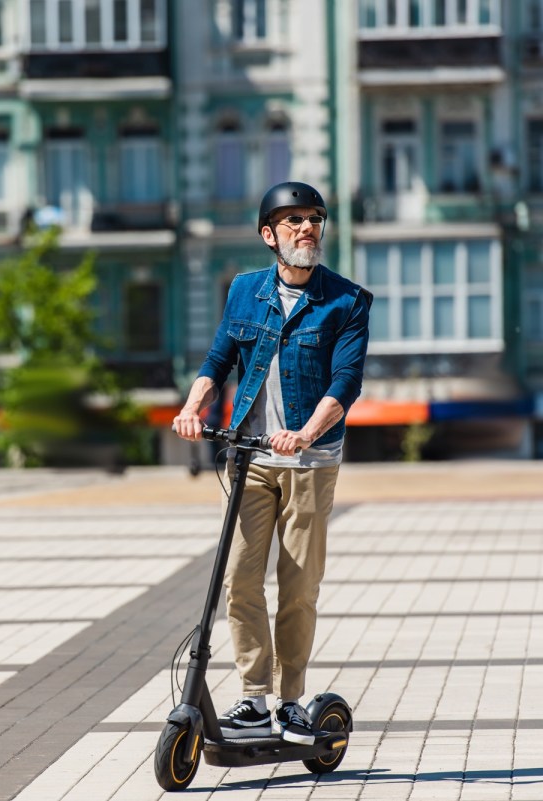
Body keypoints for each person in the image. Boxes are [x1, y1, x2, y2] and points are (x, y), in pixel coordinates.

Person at [172, 181, 371, 745]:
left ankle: (290, 701)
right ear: (269, 235)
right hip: (248, 458)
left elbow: (345, 382)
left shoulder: (347, 301)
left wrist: (304, 433)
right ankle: (254, 699)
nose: (306, 228)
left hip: (310, 462)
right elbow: (218, 359)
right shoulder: (244, 291)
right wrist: (192, 407)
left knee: (298, 584)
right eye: (293, 221)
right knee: (238, 576)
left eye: (313, 219)